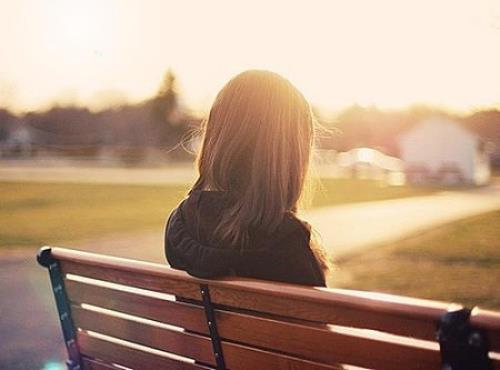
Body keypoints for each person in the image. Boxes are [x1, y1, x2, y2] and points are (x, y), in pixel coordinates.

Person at [164, 70, 331, 287]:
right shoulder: (287, 244)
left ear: (217, 136)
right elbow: (313, 320)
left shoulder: (180, 223)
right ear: (290, 154)